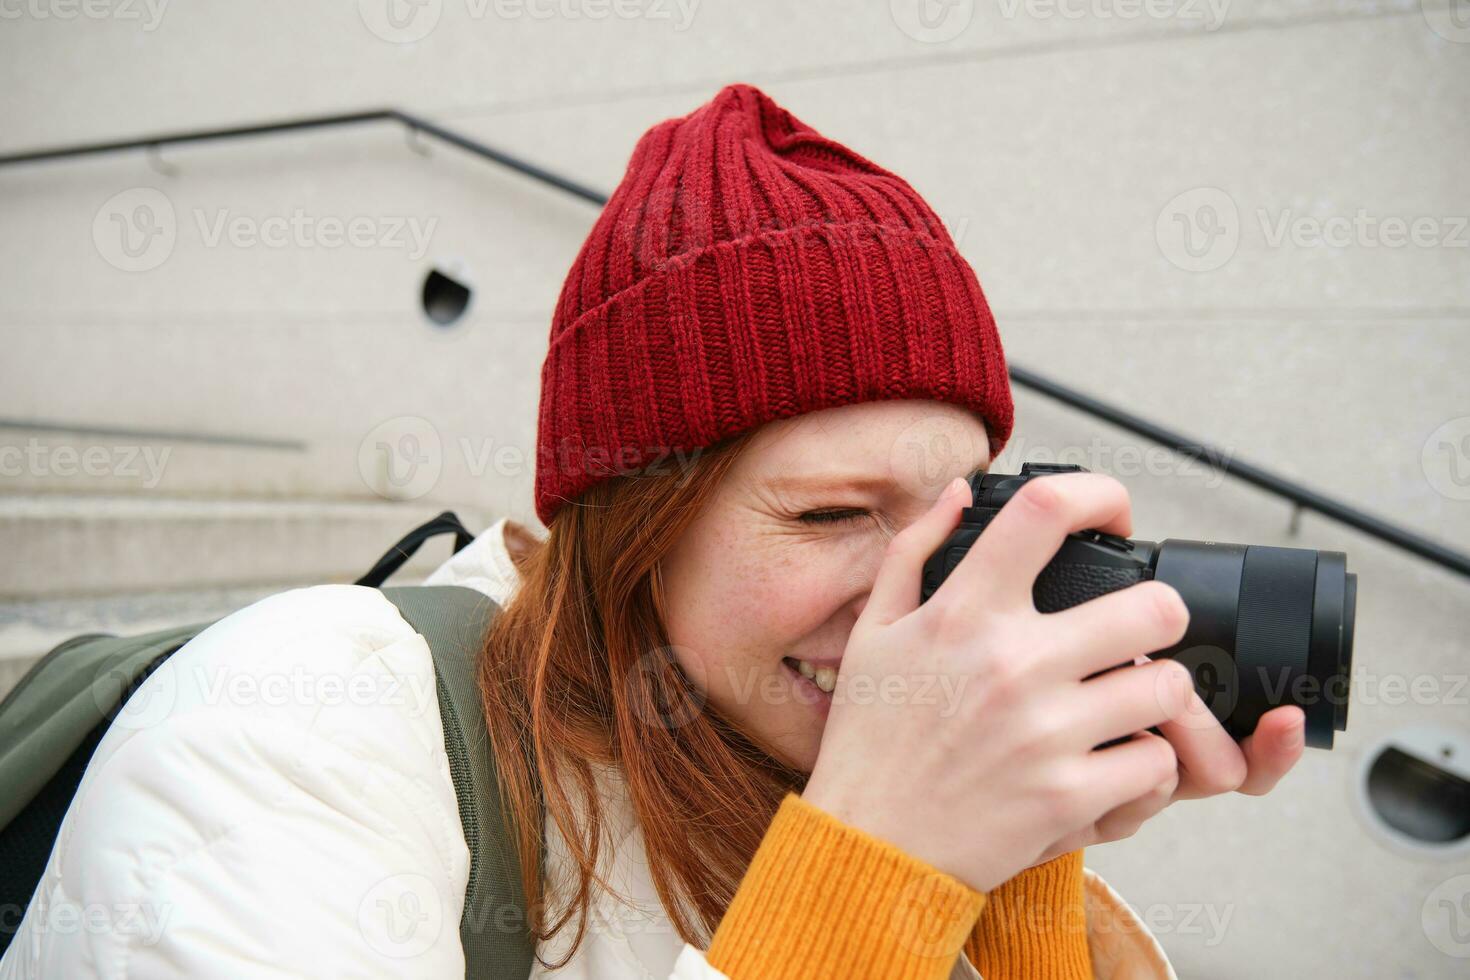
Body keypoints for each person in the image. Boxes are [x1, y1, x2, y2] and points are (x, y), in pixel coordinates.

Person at [0, 83, 1307, 980]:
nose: (923, 604)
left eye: (959, 518)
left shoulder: (797, 744)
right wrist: (875, 868)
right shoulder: (292, 724)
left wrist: (1017, 864)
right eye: (831, 514)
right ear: (631, 528)